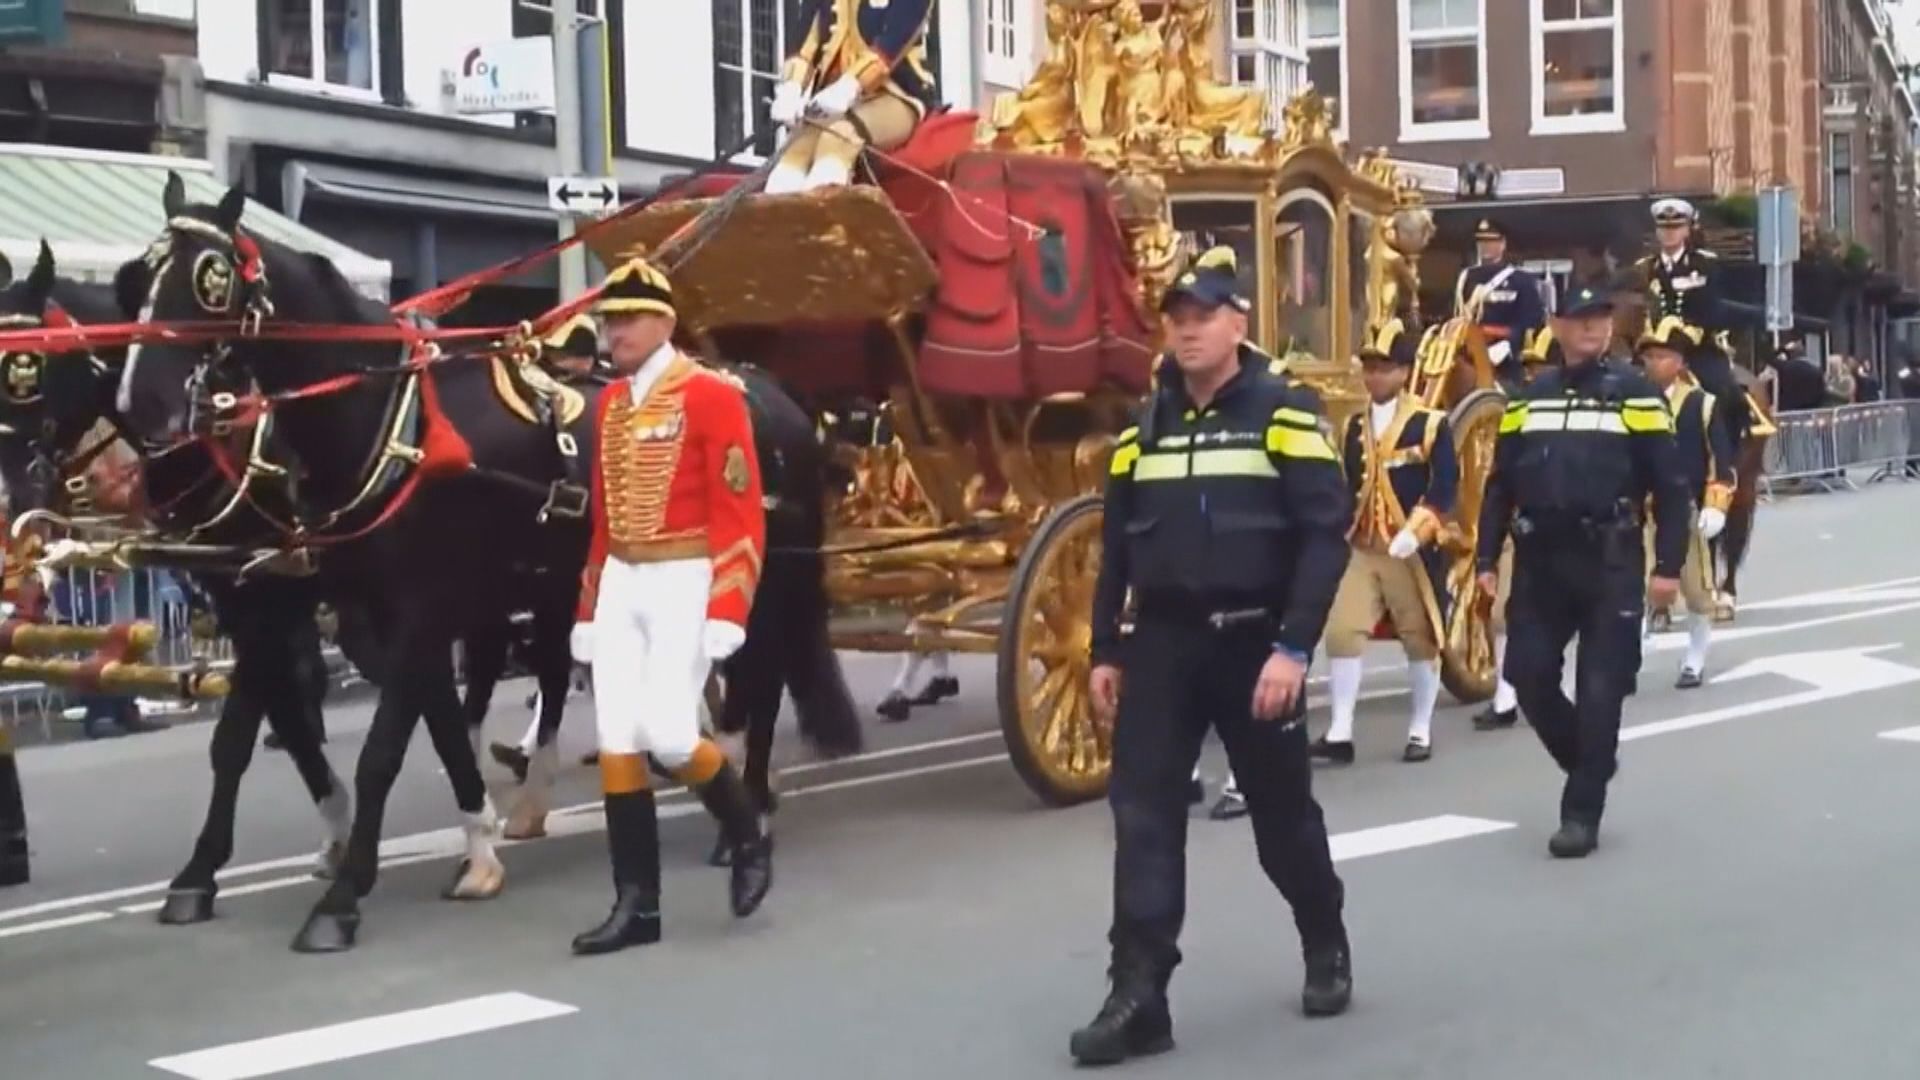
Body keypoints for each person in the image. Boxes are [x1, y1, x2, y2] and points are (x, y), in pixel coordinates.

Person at [1073, 246, 1353, 1065]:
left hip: (1255, 643)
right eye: (1179, 319)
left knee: (1280, 820)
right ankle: (1139, 995)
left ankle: (1323, 938)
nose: (1190, 331)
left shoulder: (1285, 413)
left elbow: (1322, 538)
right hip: (1163, 643)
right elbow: (1114, 550)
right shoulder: (1141, 429)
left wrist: (1294, 648)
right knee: (1144, 820)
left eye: (1206, 317)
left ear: (1239, 325)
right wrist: (1104, 648)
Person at [568, 256, 774, 956]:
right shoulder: (610, 405)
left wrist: (728, 604)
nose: (613, 330)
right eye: (608, 318)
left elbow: (741, 511)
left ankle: (747, 834)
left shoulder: (712, 395)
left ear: (664, 322)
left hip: (687, 574)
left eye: (625, 318)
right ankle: (638, 905)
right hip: (624, 578)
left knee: (670, 735)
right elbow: (603, 518)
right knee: (618, 740)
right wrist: (588, 608)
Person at [1475, 284, 1690, 858]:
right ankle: (1588, 758)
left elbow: (1671, 488)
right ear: (1556, 325)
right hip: (1542, 558)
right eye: (1580, 320)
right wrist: (1484, 557)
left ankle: (1580, 814)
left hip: (1610, 558)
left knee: (1601, 689)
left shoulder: (1637, 394)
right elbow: (1501, 485)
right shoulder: (1528, 396)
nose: (1592, 329)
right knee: (1528, 674)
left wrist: (1668, 567)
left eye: (1600, 319)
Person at [1313, 319, 1458, 765]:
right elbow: (1345, 485)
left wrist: (1417, 531)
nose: (1374, 376)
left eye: (1385, 368)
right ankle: (1340, 731)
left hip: (1409, 548)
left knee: (1419, 637)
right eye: (1370, 367)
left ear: (1404, 372)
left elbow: (1446, 486)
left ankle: (1419, 728)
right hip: (1361, 544)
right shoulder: (1354, 426)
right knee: (1342, 632)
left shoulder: (1431, 424)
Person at [1634, 317, 1734, 687]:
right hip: (1641, 509)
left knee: (1696, 589)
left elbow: (1720, 459)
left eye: (1662, 356)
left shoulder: (1701, 403)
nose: (1653, 363)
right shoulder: (1633, 399)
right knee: (1634, 585)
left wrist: (1716, 503)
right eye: (1649, 356)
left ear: (1679, 362)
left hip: (1687, 508)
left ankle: (1694, 658)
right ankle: (1631, 655)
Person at [1475, 324, 1562, 733]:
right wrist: (1487, 554)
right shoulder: (1518, 410)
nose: (1533, 376)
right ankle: (1506, 698)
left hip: (1575, 530)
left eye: (1542, 368)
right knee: (1509, 614)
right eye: (1529, 369)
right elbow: (1501, 481)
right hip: (1526, 527)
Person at [766, 0, 937, 194]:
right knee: (797, 147)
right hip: (831, 100)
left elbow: (892, 43)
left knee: (839, 136)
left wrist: (849, 86)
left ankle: (824, 215)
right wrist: (791, 87)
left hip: (896, 94)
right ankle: (775, 218)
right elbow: (805, 44)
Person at [1638, 198, 1753, 454]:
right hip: (1655, 348)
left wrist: (1686, 337)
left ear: (1687, 230)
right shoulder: (1647, 268)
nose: (1670, 234)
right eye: (1664, 229)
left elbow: (1712, 309)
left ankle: (1730, 454)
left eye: (1676, 228)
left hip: (1698, 348)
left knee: (1722, 389)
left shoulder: (1705, 265)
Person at [1455, 218, 1547, 387]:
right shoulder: (1465, 277)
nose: (1485, 246)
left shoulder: (1520, 280)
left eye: (1491, 241)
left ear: (1503, 244)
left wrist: (1509, 343)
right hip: (1467, 357)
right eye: (1482, 241)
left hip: (1504, 359)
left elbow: (1531, 320)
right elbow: (1456, 315)